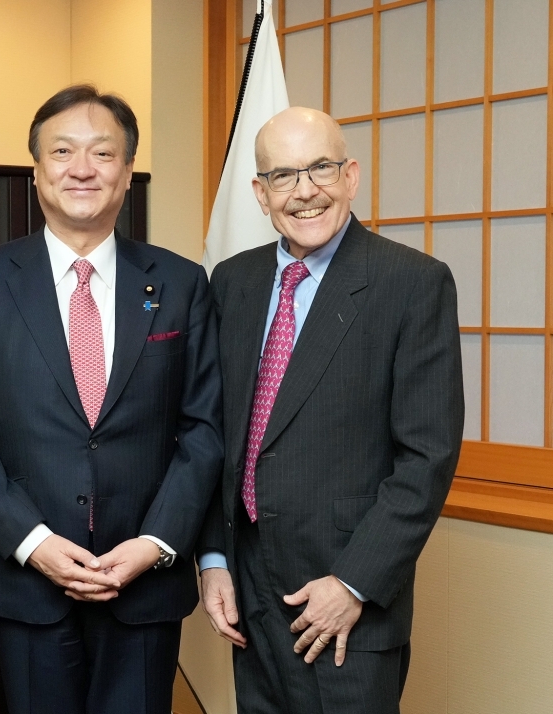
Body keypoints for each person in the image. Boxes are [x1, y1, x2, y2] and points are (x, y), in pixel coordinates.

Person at [0, 85, 223, 714]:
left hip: (143, 581)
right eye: (62, 152)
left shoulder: (180, 283)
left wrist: (156, 544)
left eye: (103, 153)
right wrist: (32, 540)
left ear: (126, 173)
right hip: (26, 578)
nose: (82, 169)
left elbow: (205, 428)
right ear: (36, 173)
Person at [198, 106, 463, 714]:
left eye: (320, 168)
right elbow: (216, 436)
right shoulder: (232, 283)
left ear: (351, 176)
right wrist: (213, 559)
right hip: (249, 588)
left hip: (347, 597)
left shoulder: (411, 283)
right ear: (261, 195)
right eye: (285, 176)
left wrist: (354, 583)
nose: (306, 191)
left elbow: (428, 456)